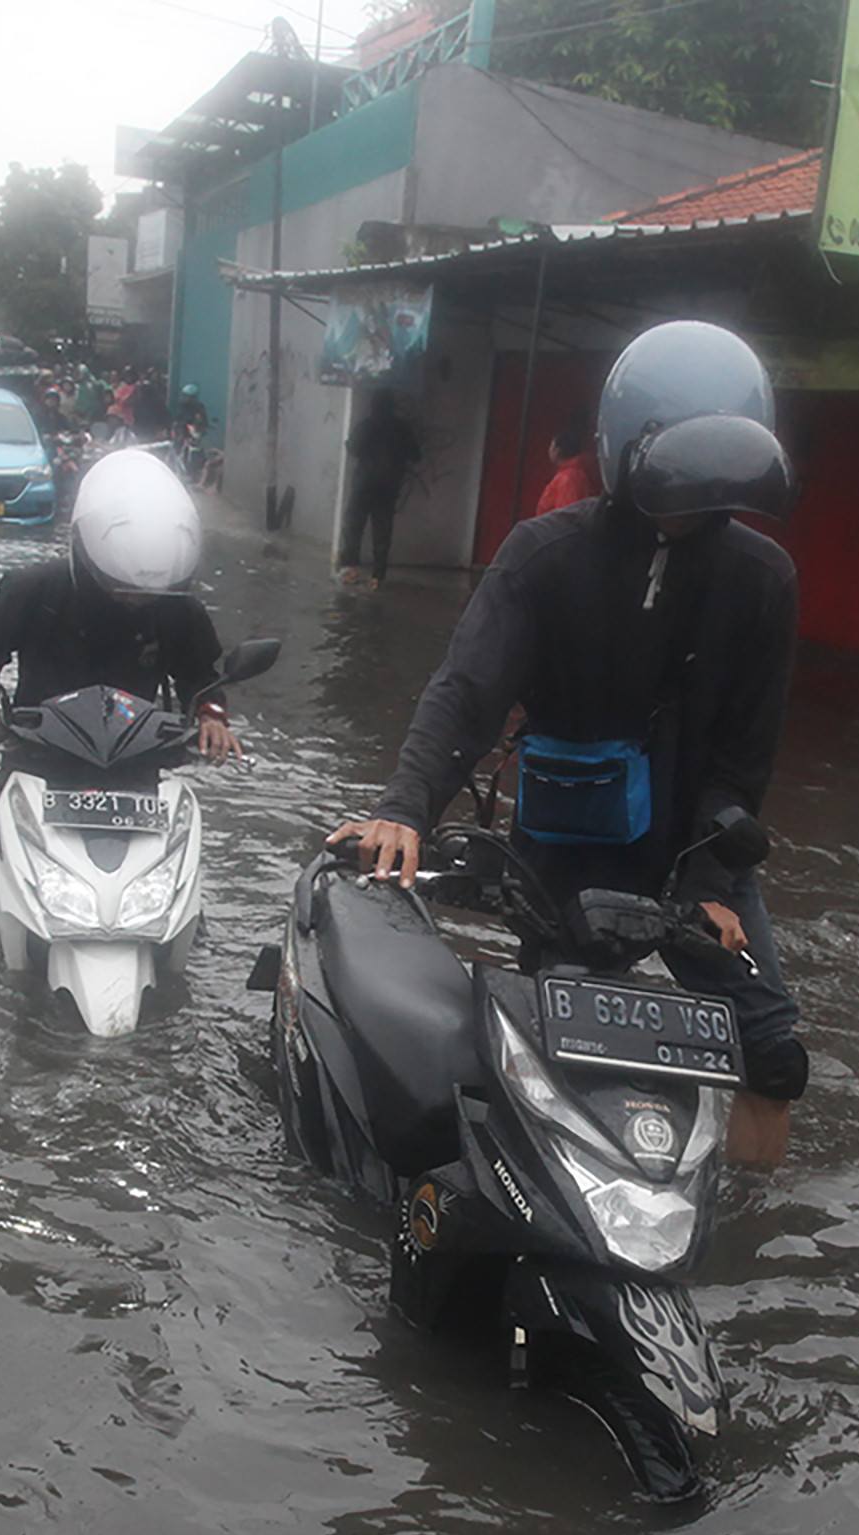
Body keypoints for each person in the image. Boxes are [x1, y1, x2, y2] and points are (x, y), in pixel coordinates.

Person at [328, 320, 804, 1164]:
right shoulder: (545, 556)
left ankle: (734, 1236)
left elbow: (746, 751)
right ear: (627, 453)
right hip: (569, 841)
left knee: (770, 1050)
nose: (695, 504)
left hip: (699, 848)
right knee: (556, 1031)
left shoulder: (762, 579)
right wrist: (404, 808)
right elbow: (468, 691)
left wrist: (712, 881)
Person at [0, 447, 241, 903]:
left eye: (148, 594)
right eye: (123, 590)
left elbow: (201, 674)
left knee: (174, 896)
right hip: (39, 761)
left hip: (137, 768)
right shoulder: (33, 589)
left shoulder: (177, 607)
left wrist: (212, 716)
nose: (137, 601)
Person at [335, 389, 421, 588]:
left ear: (373, 407)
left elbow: (353, 449)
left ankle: (350, 569)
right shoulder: (402, 428)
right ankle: (378, 576)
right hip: (389, 484)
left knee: (354, 525)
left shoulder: (367, 425)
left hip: (364, 483)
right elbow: (416, 455)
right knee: (382, 529)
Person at [533, 420, 602, 515]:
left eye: (551, 446)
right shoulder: (571, 474)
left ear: (557, 450)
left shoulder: (568, 478)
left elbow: (566, 516)